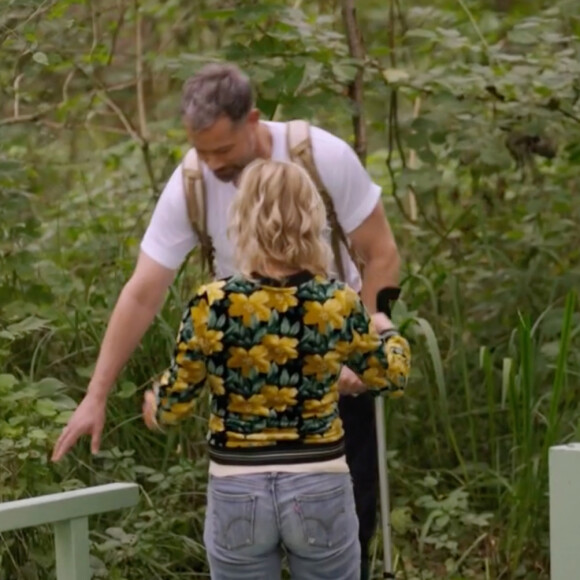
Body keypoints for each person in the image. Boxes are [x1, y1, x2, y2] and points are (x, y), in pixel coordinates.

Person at [51, 62, 401, 579]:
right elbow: (143, 291)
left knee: (359, 516)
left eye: (221, 150)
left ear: (253, 120)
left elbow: (382, 254)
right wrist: (96, 393)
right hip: (271, 388)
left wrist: (366, 336)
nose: (211, 163)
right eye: (200, 150)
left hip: (329, 374)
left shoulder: (321, 157)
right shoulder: (190, 183)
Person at [142, 159, 411, 580]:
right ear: (311, 220)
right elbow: (389, 377)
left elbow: (173, 406)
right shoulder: (336, 302)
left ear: (243, 220)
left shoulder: (211, 304)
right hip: (319, 481)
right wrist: (388, 330)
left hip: (236, 487)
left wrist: (156, 401)